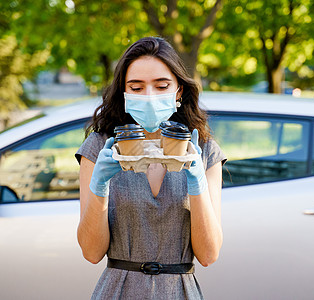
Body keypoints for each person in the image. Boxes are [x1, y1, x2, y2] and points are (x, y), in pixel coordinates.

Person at [75, 36, 226, 299]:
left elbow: (209, 255)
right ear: (123, 93)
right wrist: (99, 187)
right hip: (118, 291)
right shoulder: (100, 147)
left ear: (179, 91)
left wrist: (197, 183)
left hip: (179, 292)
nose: (149, 96)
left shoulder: (203, 150)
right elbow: (91, 252)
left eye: (161, 85)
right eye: (136, 87)